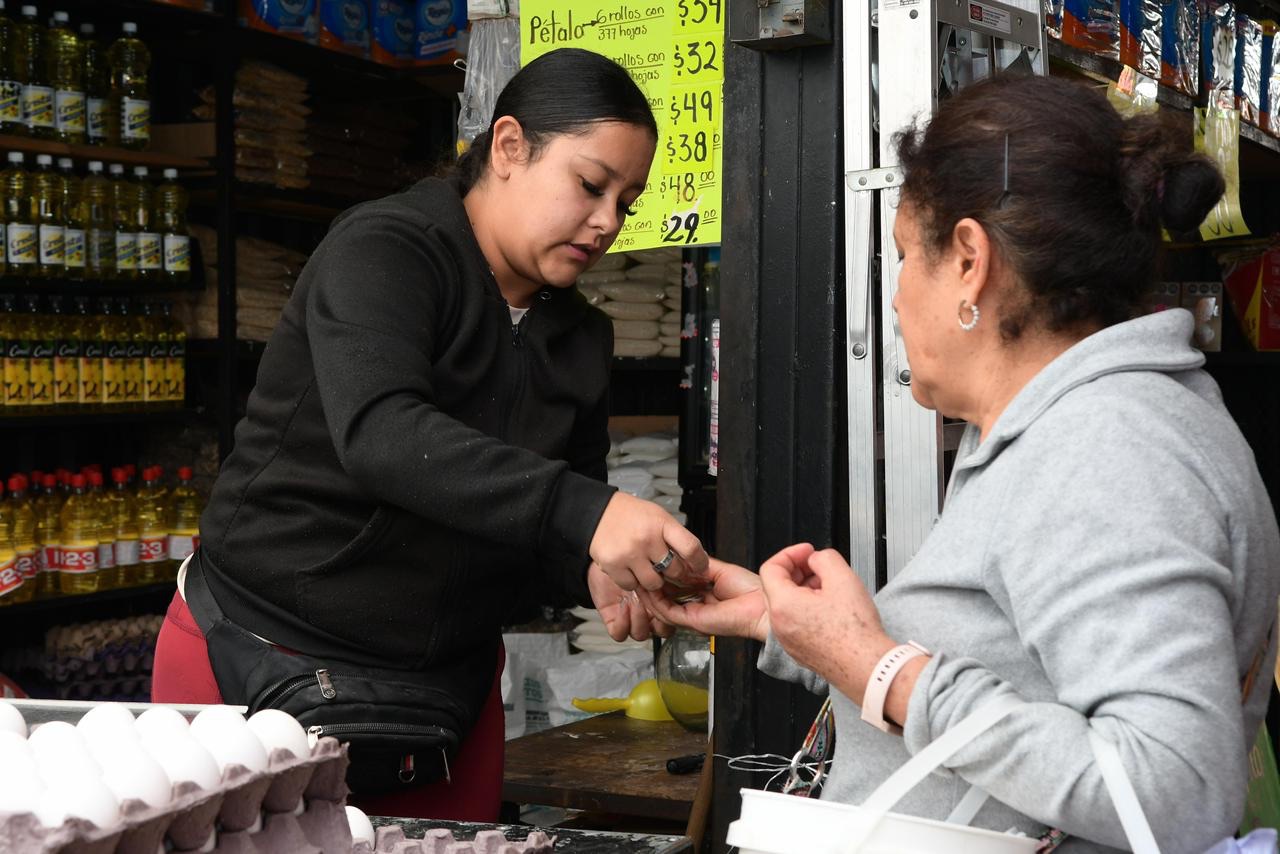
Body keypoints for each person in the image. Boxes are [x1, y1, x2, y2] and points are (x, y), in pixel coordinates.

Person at [644, 74, 1280, 851]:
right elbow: (1016, 666)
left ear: (971, 261)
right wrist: (793, 626)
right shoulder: (1061, 427)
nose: (897, 295)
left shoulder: (1111, 451)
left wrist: (878, 667)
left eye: (907, 255)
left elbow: (1173, 792)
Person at [151, 47, 707, 822]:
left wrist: (595, 570)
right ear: (508, 147)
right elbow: (382, 433)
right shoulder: (386, 250)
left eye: (627, 202)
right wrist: (587, 514)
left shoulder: (581, 336)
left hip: (445, 698)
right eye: (590, 185)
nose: (608, 221)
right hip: (261, 658)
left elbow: (547, 522)